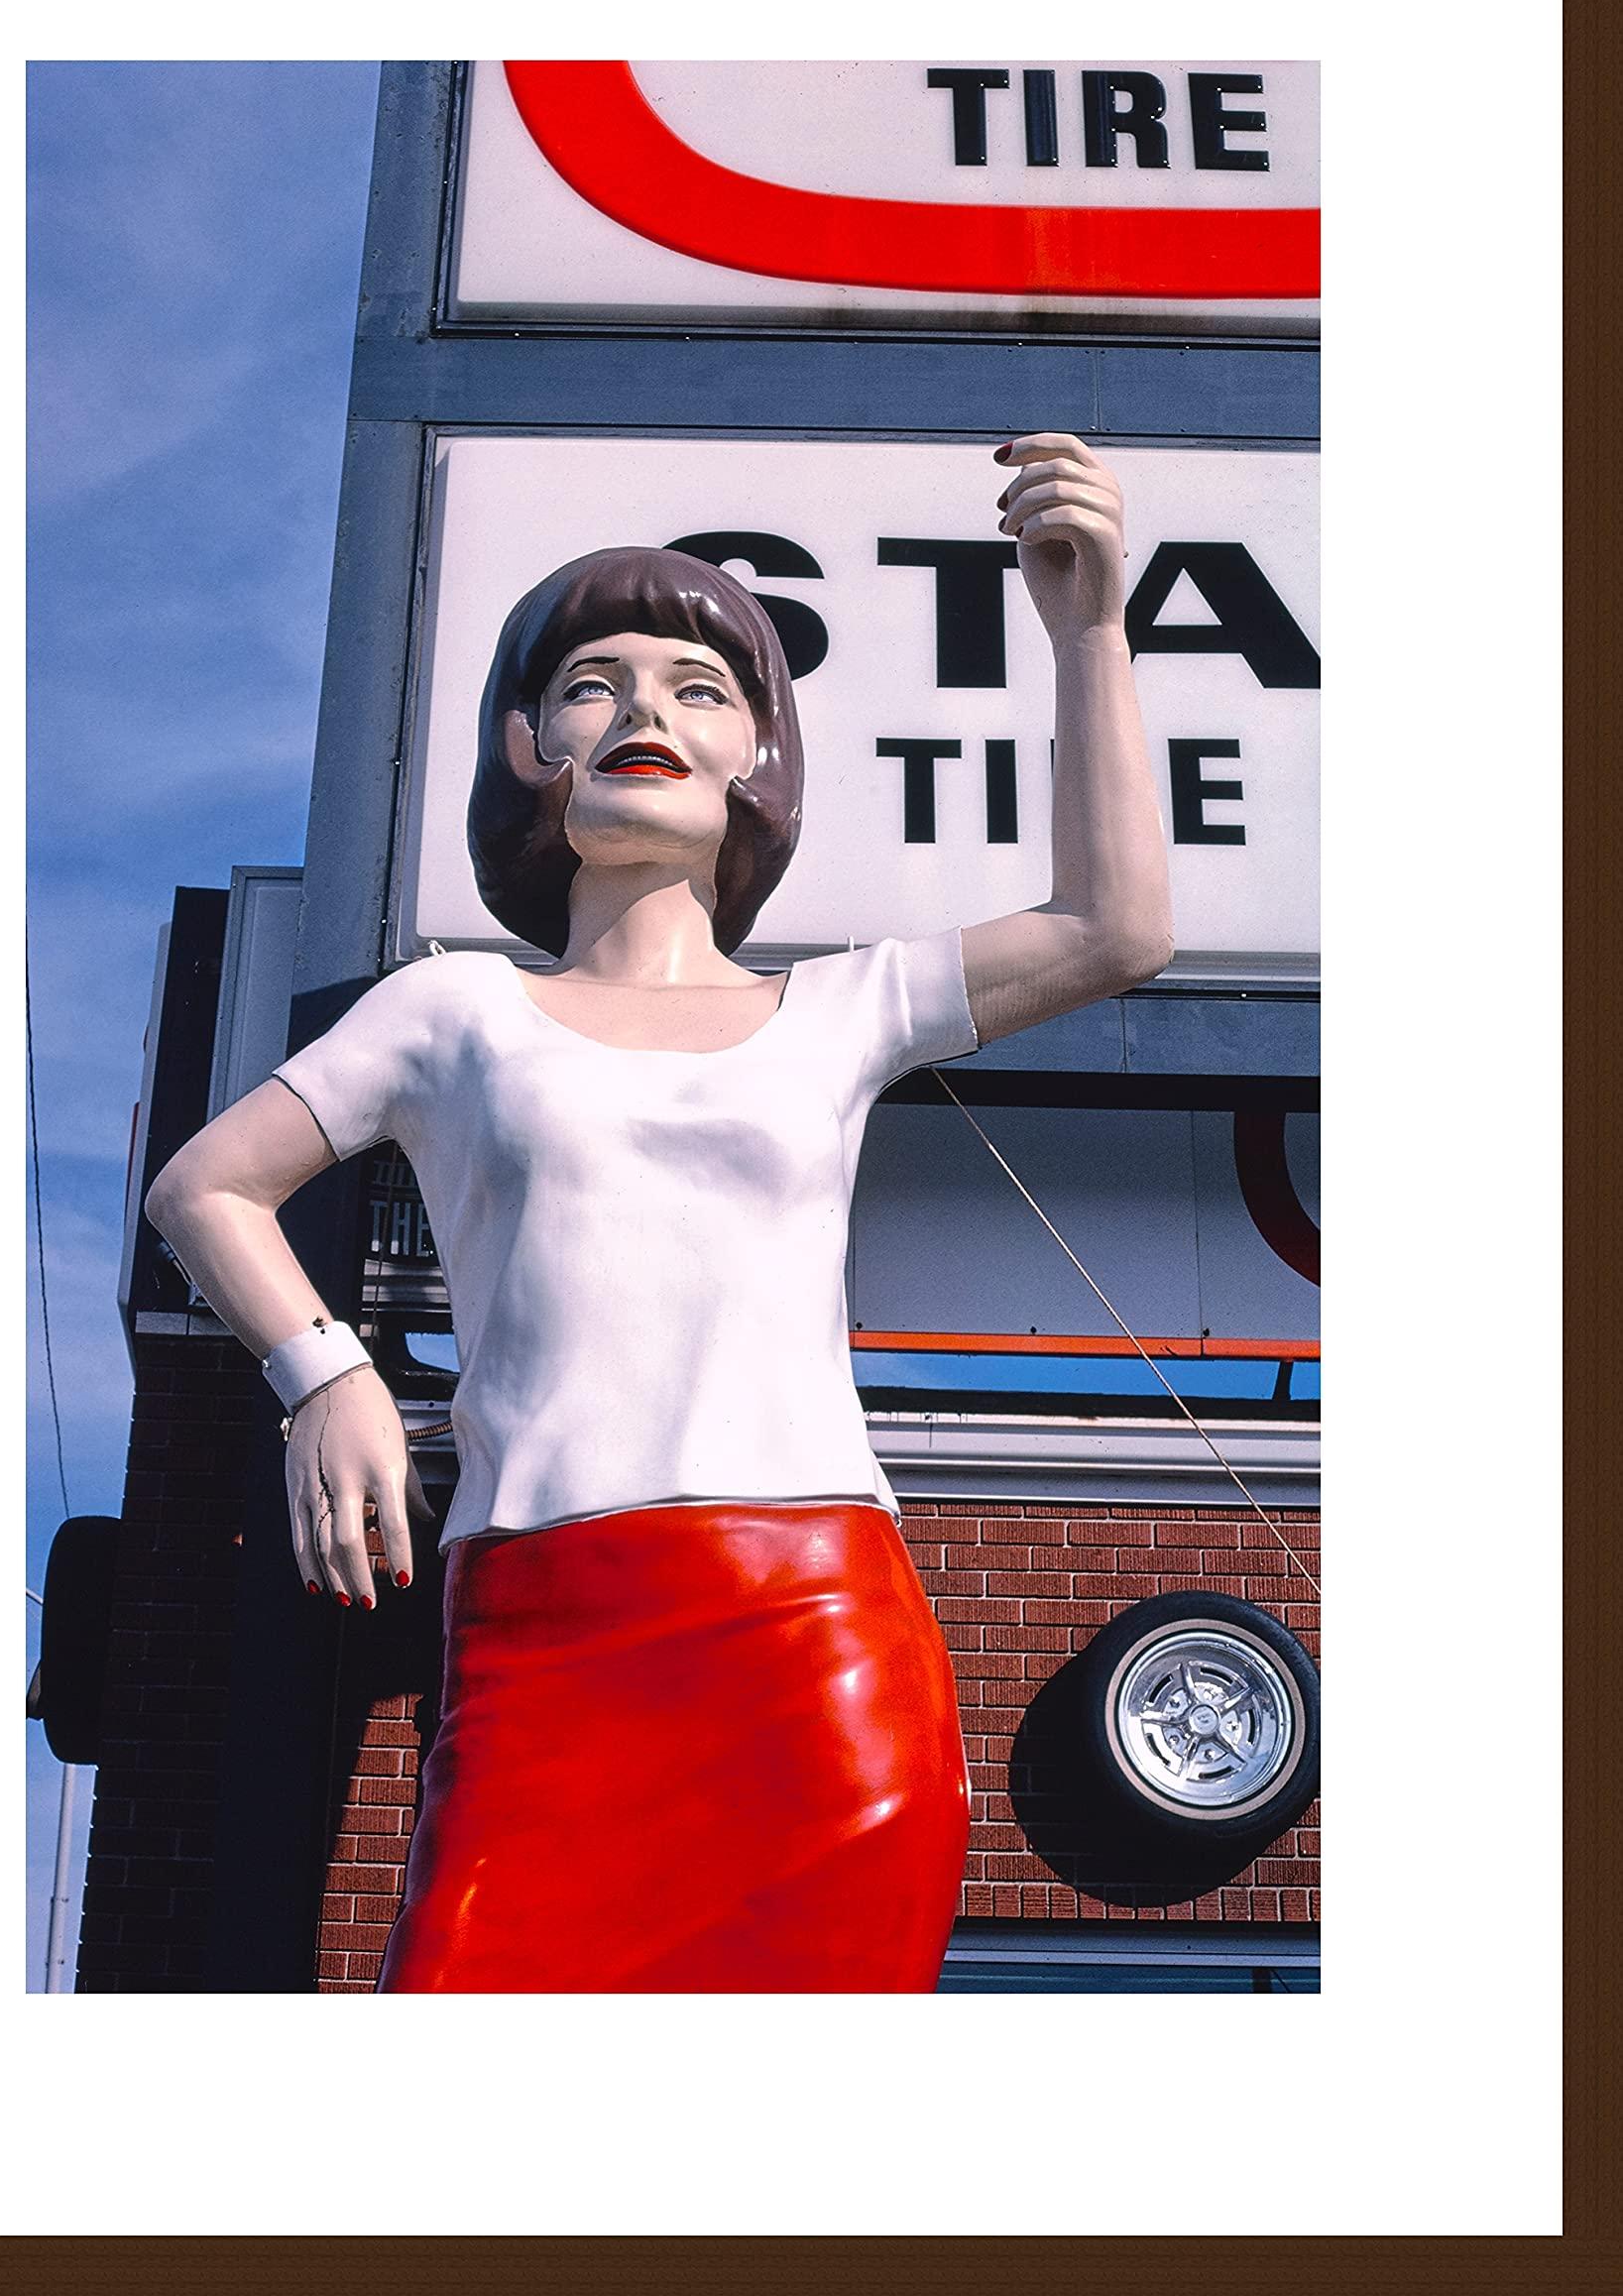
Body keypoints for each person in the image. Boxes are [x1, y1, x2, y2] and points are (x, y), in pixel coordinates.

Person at [146, 430, 1174, 1992]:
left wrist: (1089, 627)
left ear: (756, 758)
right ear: (524, 745)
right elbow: (207, 1187)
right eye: (596, 683)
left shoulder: (843, 1010)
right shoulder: (451, 1010)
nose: (645, 712)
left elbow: (1115, 928)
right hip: (542, 1630)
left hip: (817, 1642)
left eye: (701, 689)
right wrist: (324, 1370)